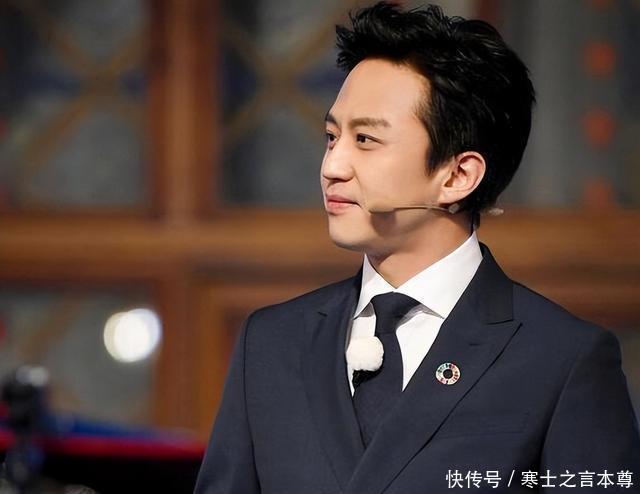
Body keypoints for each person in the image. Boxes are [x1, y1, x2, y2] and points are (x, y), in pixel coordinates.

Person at [195, 3, 640, 493]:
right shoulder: (272, 342)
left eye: (366, 139)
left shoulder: (562, 358)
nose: (332, 167)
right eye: (331, 137)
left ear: (458, 175)